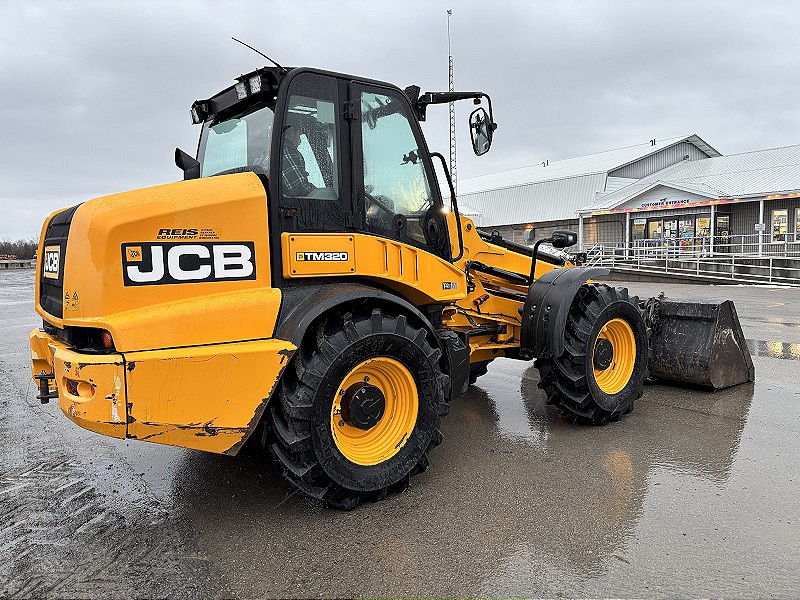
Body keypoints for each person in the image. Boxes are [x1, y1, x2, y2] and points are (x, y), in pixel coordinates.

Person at [281, 123, 316, 197]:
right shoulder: (286, 151)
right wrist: (325, 195)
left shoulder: (272, 151)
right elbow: (299, 188)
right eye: (299, 135)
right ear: (291, 131)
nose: (300, 141)